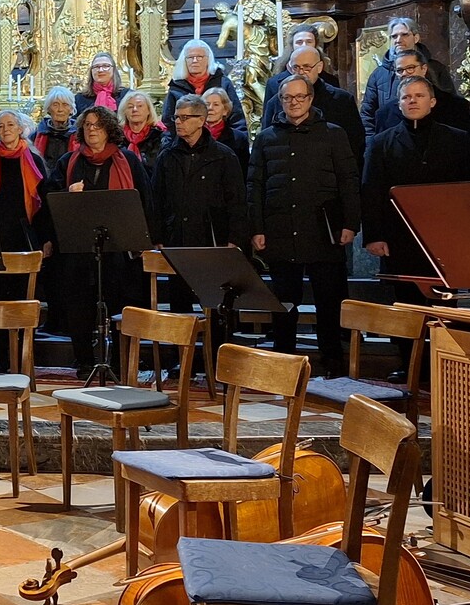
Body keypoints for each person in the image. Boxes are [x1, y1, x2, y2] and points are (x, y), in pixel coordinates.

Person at [248, 72, 360, 378]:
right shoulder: (267, 137)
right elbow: (255, 185)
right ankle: (284, 363)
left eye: (300, 97)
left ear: (310, 99)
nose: (294, 102)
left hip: (324, 231)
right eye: (287, 97)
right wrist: (257, 227)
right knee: (284, 303)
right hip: (280, 230)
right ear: (280, 101)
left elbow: (349, 181)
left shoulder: (333, 134)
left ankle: (332, 362)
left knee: (329, 302)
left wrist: (350, 223)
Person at [41, 105, 151, 377]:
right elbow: (49, 200)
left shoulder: (128, 160)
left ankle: (120, 362)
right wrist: (67, 193)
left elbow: (145, 200)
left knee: (121, 304)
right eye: (87, 125)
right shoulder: (68, 161)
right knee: (79, 305)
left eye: (97, 125)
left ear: (109, 130)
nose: (91, 130)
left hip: (119, 248)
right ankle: (84, 361)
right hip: (78, 248)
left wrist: (147, 240)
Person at [362, 76, 470, 304]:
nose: (412, 101)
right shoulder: (381, 143)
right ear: (399, 104)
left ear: (432, 102)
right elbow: (371, 192)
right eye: (406, 97)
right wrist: (374, 236)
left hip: (445, 238)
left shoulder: (457, 140)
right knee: (406, 307)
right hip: (399, 238)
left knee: (444, 307)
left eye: (419, 96)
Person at [151, 94, 249, 317]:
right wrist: (158, 236)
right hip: (177, 240)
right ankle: (181, 341)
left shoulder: (223, 156)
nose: (178, 122)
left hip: (212, 240)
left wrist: (234, 239)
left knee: (216, 303)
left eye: (185, 117)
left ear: (201, 120)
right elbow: (157, 199)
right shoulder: (168, 156)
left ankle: (217, 339)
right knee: (179, 305)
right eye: (176, 117)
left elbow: (237, 201)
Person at [0, 110, 48, 369]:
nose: (5, 129)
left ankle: (23, 354)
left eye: (10, 125)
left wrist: (46, 239)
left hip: (24, 238)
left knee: (22, 299)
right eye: (0, 126)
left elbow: (43, 204)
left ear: (20, 129)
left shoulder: (33, 160)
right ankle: (3, 356)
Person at [262, 45, 365, 167]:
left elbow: (355, 144)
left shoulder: (342, 100)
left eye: (307, 67)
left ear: (319, 67)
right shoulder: (276, 102)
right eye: (296, 67)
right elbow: (266, 143)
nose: (301, 72)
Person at [361, 17, 456, 137]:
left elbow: (450, 106)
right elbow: (367, 114)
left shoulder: (436, 69)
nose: (398, 40)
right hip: (390, 140)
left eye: (404, 35)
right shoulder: (378, 75)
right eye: (394, 36)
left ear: (416, 38)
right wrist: (372, 142)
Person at [374, 49, 470, 155]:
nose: (405, 73)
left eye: (410, 68)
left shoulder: (455, 106)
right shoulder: (385, 113)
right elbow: (379, 152)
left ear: (424, 69)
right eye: (400, 70)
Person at [161, 38, 234, 127]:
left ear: (208, 59)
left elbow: (236, 118)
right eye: (190, 57)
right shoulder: (176, 87)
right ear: (184, 60)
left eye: (199, 57)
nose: (195, 61)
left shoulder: (223, 83)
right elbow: (168, 122)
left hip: (221, 134)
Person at [118, 89, 169, 173]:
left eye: (140, 106)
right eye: (130, 107)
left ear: (149, 110)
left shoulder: (160, 137)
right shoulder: (117, 137)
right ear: (124, 112)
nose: (135, 109)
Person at [203, 88, 249, 173]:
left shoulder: (239, 138)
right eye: (207, 104)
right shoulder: (193, 135)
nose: (210, 108)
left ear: (225, 110)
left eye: (216, 105)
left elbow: (243, 169)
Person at [33, 87, 78, 171]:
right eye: (55, 105)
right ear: (48, 109)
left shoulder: (80, 137)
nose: (60, 109)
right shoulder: (35, 136)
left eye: (65, 105)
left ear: (71, 109)